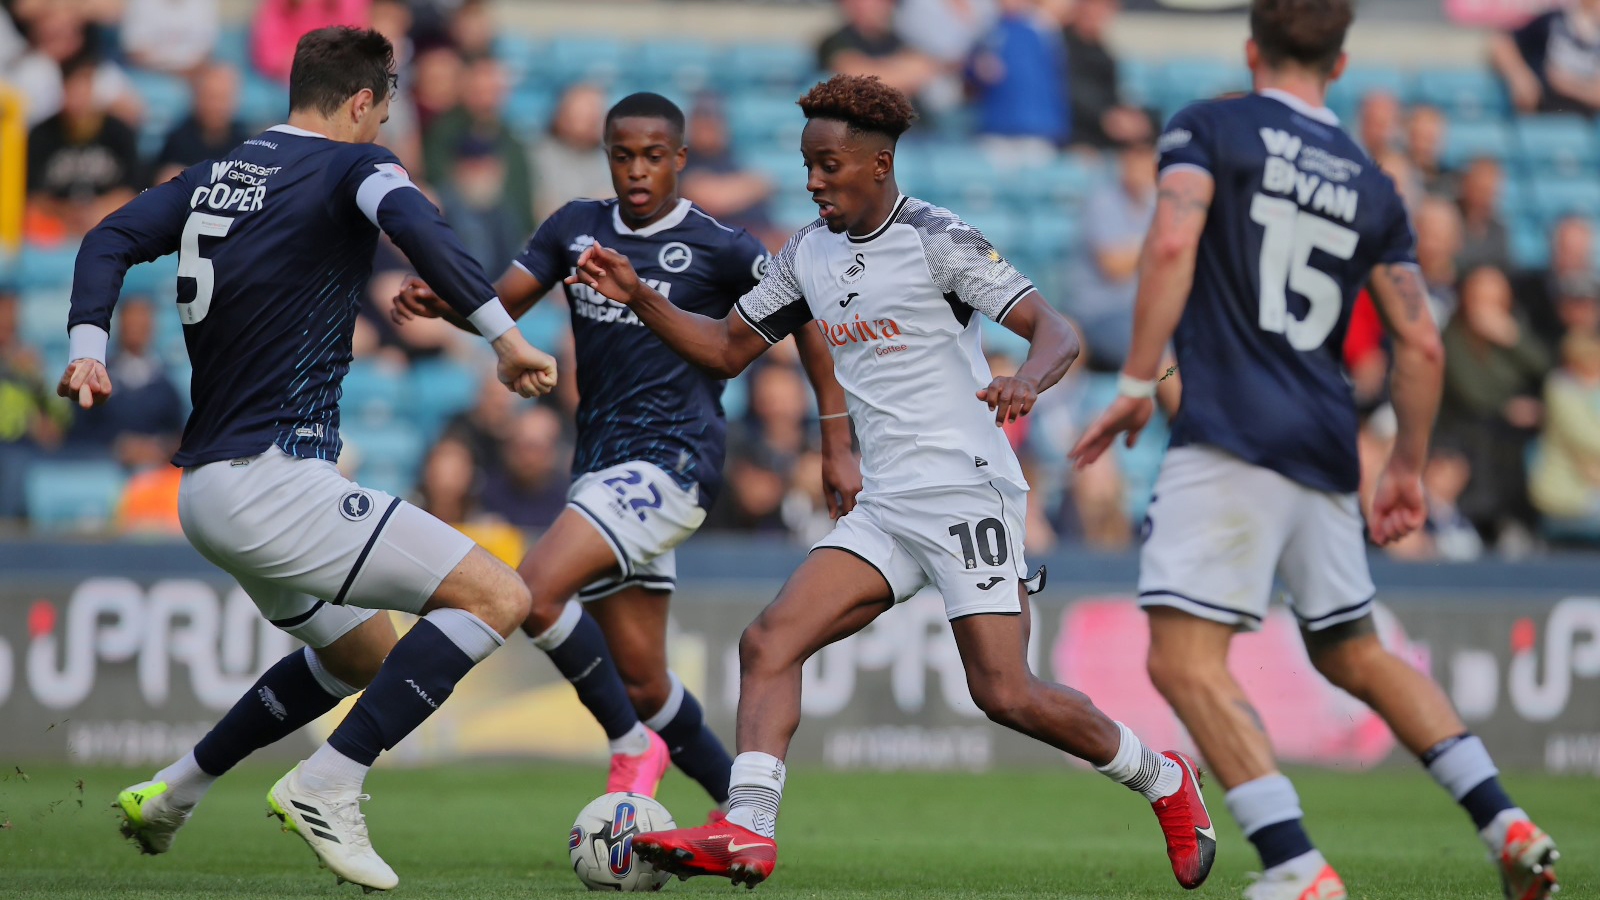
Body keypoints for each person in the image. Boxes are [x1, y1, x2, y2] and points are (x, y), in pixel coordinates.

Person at [570, 74, 1215, 892]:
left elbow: (1058, 329)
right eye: (806, 166)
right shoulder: (808, 252)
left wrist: (1028, 381)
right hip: (888, 503)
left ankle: (1164, 779)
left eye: (828, 166)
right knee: (769, 642)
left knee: (1005, 692)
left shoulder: (939, 240)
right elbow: (728, 348)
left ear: (878, 164)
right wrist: (641, 298)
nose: (813, 182)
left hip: (966, 491)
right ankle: (747, 828)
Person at [1069, 3, 1560, 899]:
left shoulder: (1210, 126)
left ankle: (1296, 865)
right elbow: (1422, 343)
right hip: (1327, 443)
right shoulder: (1374, 182)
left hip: (1229, 433)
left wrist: (1137, 384)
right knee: (1357, 651)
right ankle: (1507, 821)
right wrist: (1405, 466)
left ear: (1253, 46)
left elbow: (1172, 239)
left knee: (1182, 659)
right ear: (1341, 63)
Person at [73, 27, 557, 892]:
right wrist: (507, 338)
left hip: (210, 492)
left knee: (362, 656)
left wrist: (87, 345)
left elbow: (106, 236)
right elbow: (421, 226)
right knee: (499, 596)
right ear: (365, 100)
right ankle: (329, 782)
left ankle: (172, 794)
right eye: (383, 111)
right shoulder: (353, 167)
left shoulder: (215, 173)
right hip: (275, 479)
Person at [392, 92, 860, 812]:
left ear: (679, 159)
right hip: (601, 468)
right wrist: (443, 304)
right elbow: (499, 302)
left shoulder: (719, 245)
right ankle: (740, 818)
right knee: (644, 681)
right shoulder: (574, 228)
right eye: (622, 156)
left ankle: (629, 747)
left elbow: (808, 324)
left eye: (651, 157)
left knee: (533, 591)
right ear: (606, 156)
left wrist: (834, 441)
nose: (636, 171)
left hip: (673, 461)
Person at [1490, 0, 1600, 116]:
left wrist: (1570, 85)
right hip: (1541, 116)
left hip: (1582, 121)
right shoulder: (1554, 20)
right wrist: (1520, 77)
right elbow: (1501, 42)